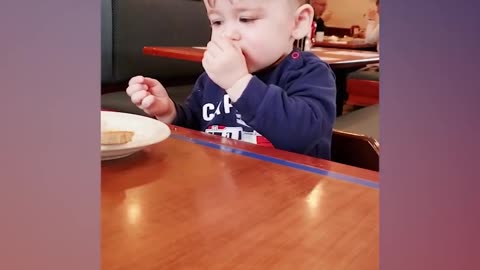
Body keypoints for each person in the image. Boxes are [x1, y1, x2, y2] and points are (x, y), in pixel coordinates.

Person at [125, 0, 337, 160]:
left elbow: (302, 138)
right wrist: (170, 113)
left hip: (290, 198)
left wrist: (238, 83)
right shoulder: (212, 79)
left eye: (246, 19)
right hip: (224, 192)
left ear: (298, 23)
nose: (227, 35)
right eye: (217, 22)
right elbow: (196, 128)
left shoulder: (310, 74)